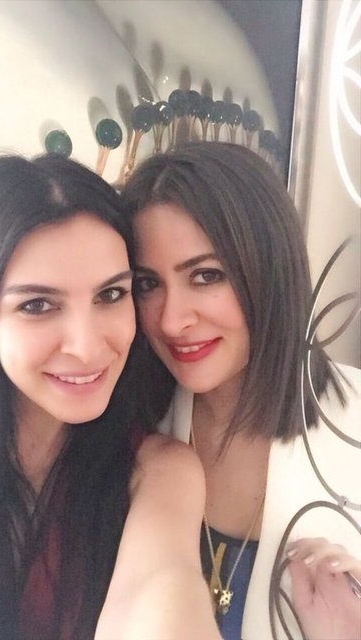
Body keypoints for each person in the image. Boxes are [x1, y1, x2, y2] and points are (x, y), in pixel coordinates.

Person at [0, 154, 221, 640]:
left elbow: (162, 589)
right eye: (38, 305)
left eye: (110, 295)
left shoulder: (159, 470)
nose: (87, 348)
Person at [122, 142, 361, 640]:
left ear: (270, 270)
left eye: (206, 276)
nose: (172, 320)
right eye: (147, 284)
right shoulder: (131, 429)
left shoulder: (352, 429)